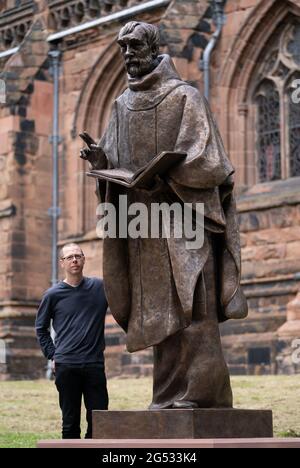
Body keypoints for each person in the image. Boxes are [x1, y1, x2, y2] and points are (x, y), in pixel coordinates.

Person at [80, 22, 248, 409]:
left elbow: (210, 161)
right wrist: (101, 159)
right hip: (145, 227)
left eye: (134, 46)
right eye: (122, 48)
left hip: (186, 221)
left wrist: (168, 178)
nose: (127, 55)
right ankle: (168, 395)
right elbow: (116, 161)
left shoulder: (186, 98)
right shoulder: (122, 105)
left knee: (194, 307)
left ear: (154, 48)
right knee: (161, 314)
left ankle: (202, 394)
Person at [35, 243, 108, 439]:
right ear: (62, 263)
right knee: (70, 423)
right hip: (67, 365)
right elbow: (40, 329)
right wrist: (53, 355)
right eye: (69, 257)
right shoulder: (53, 294)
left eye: (78, 256)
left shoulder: (100, 288)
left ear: (84, 259)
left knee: (99, 422)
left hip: (94, 364)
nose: (74, 260)